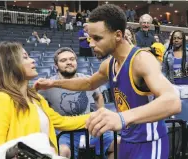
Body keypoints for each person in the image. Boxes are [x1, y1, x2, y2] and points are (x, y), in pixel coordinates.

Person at [34, 4, 181, 159]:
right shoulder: (109, 64)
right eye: (90, 38)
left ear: (118, 35)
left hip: (149, 143)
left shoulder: (142, 60)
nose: (91, 44)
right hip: (127, 140)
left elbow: (173, 102)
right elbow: (88, 83)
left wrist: (121, 118)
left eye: (97, 38)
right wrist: (53, 83)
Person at [0, 41, 90, 159]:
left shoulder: (36, 98)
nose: (32, 60)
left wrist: (95, 116)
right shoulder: (0, 100)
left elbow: (62, 122)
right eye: (25, 57)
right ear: (10, 65)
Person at [40, 47, 116, 159]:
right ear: (56, 65)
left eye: (72, 59)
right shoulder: (47, 86)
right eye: (63, 60)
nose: (69, 62)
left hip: (89, 129)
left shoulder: (87, 80)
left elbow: (98, 96)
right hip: (64, 133)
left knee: (119, 144)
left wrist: (101, 112)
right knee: (62, 151)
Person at [162, 30, 188, 121]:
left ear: (183, 40)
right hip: (173, 86)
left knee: (185, 113)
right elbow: (164, 72)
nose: (176, 40)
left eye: (179, 38)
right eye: (174, 38)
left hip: (186, 86)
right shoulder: (167, 54)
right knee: (174, 114)